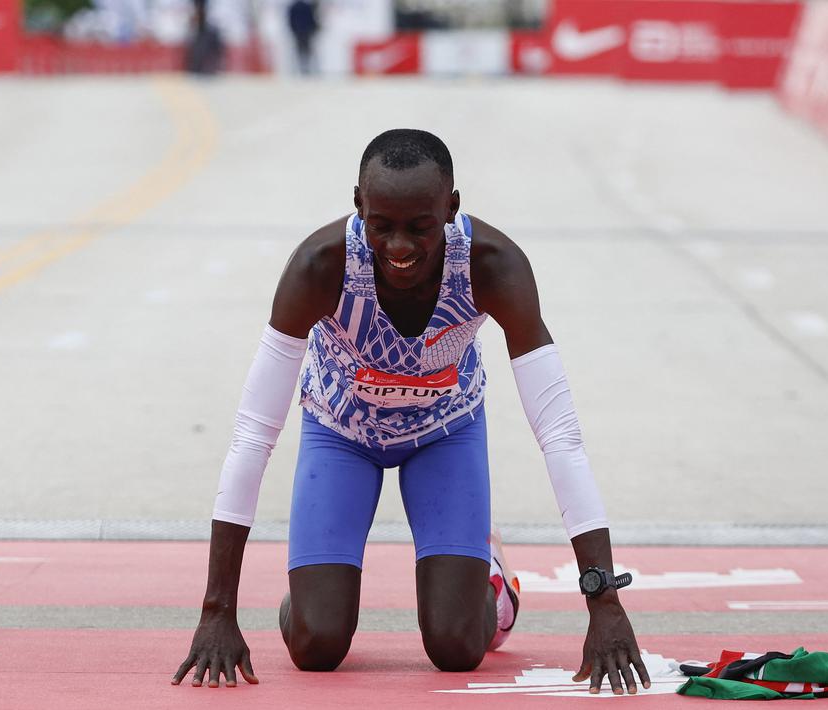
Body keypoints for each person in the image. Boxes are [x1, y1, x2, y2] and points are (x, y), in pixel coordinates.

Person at [171, 129, 649, 695]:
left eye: (421, 227)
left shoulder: (494, 266)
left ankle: (490, 577)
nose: (400, 246)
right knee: (317, 647)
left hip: (445, 433)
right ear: (358, 206)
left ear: (452, 207)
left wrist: (604, 601)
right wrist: (217, 609)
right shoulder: (318, 267)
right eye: (382, 225)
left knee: (455, 649)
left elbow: (560, 436)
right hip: (340, 433)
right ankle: (312, 592)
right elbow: (253, 435)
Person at [287, 0, 320, 75]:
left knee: (299, 52)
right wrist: (314, 29)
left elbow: (290, 20)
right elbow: (311, 20)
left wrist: (293, 29)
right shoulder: (307, 7)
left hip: (298, 32)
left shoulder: (293, 7)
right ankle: (309, 70)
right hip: (307, 32)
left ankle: (301, 70)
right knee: (308, 52)